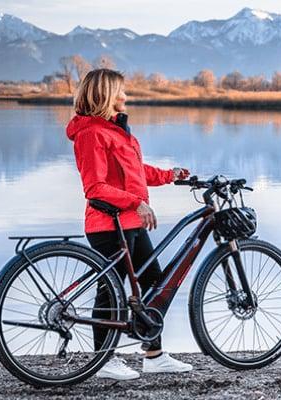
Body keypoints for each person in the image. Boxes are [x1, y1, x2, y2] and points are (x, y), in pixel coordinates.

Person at [66, 68, 193, 380]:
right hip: (108, 225)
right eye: (120, 91)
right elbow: (95, 187)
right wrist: (137, 202)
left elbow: (135, 172)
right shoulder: (91, 134)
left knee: (154, 282)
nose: (125, 96)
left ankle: (153, 354)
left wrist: (169, 175)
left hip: (130, 222)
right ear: (105, 96)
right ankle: (104, 360)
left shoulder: (116, 131)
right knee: (110, 291)